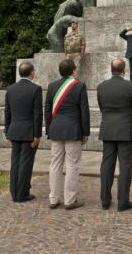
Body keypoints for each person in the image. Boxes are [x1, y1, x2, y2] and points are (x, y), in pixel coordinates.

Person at [97, 58, 132, 211]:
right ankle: (123, 201)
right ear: (124, 70)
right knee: (125, 165)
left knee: (107, 164)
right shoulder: (131, 87)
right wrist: (130, 122)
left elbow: (102, 107)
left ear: (111, 69)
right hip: (125, 128)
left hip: (108, 127)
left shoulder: (101, 87)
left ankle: (105, 200)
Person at [45, 58, 90, 210]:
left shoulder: (52, 86)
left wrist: (49, 129)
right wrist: (86, 132)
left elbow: (47, 110)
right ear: (73, 71)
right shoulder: (79, 86)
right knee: (72, 165)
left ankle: (53, 198)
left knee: (55, 164)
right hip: (73, 129)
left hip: (56, 129)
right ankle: (69, 200)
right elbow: (84, 110)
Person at [4, 61, 43, 203]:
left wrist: (7, 131)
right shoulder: (36, 89)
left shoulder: (10, 89)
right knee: (26, 163)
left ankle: (14, 192)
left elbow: (7, 112)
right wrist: (37, 135)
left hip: (14, 131)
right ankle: (22, 194)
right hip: (28, 133)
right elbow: (37, 114)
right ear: (31, 72)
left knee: (15, 162)